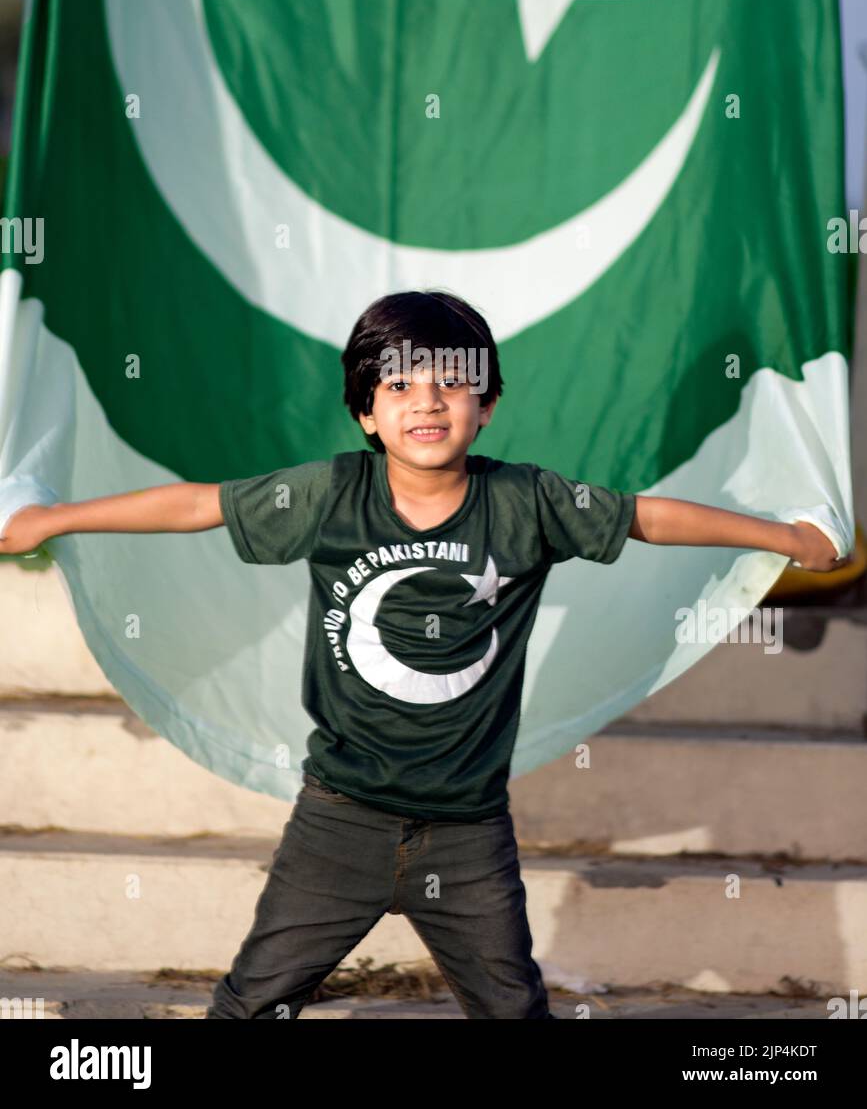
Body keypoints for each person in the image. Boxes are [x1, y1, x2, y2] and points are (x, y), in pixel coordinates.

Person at [0, 289, 846, 1019]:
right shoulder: (329, 493)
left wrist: (781, 536)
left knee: (512, 1009)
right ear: (366, 412)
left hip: (468, 833)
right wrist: (53, 518)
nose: (427, 400)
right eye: (399, 384)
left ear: (487, 404)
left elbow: (644, 516)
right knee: (253, 1003)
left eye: (452, 382)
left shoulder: (527, 500)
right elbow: (197, 506)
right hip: (339, 822)